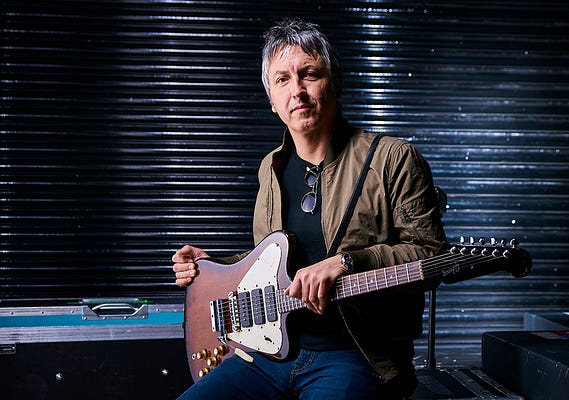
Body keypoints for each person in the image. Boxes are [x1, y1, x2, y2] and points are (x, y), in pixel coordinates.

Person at [172, 17, 446, 400]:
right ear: (272, 101)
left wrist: (347, 262)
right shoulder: (271, 167)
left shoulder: (393, 159)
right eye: (282, 80)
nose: (297, 91)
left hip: (354, 356)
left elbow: (432, 256)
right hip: (268, 355)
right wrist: (213, 265)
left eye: (309, 74)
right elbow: (268, 262)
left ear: (335, 83)